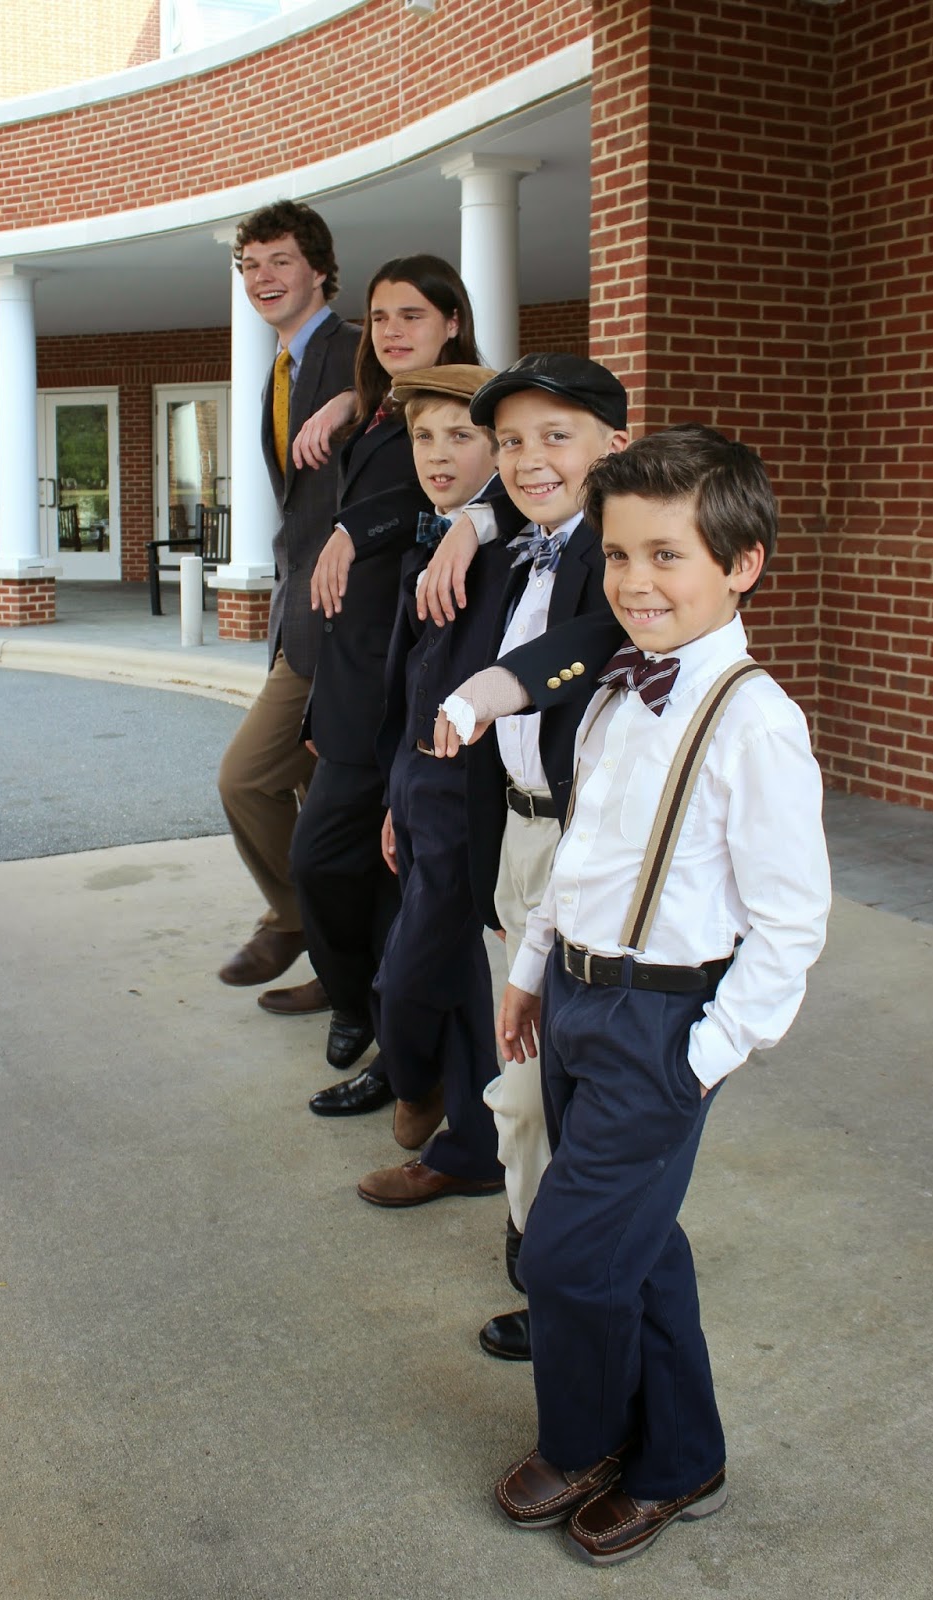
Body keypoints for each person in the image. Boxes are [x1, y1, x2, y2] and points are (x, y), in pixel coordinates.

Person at [489, 426, 832, 1566]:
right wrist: (532, 973)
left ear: (742, 564)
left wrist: (707, 1052)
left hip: (664, 1024)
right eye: (621, 556)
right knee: (639, 1243)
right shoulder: (612, 694)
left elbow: (790, 922)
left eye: (667, 555)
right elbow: (583, 853)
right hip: (578, 1000)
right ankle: (682, 1455)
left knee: (564, 1257)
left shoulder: (755, 721)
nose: (635, 582)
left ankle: (585, 1440)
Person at [433, 353, 628, 1360]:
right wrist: (471, 521)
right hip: (514, 832)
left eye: (556, 435)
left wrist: (495, 687)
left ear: (614, 445)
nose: (527, 458)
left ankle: (558, 1272)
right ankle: (537, 1246)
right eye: (509, 442)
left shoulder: (625, 554)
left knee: (545, 1081)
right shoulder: (520, 549)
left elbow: (599, 634)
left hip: (581, 846)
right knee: (523, 1073)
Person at [289, 258, 511, 1099]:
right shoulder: (382, 410)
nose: (390, 330)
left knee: (411, 911)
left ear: (453, 321)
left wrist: (465, 522)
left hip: (450, 726)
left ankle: (407, 1062)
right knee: (366, 884)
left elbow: (520, 485)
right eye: (379, 315)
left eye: (411, 314)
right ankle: (382, 1028)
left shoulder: (489, 413)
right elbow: (417, 499)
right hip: (373, 690)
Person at [354, 364, 512, 1207]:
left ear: (499, 449)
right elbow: (410, 682)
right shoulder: (430, 539)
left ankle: (417, 1084)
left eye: (462, 436)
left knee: (409, 978)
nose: (438, 454)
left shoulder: (511, 543)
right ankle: (474, 1150)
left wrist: (483, 520)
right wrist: (394, 795)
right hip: (416, 783)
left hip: (469, 795)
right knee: (454, 979)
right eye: (423, 436)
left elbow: (558, 502)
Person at [215, 200, 358, 1011]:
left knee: (246, 779)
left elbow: (441, 387)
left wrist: (353, 400)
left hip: (345, 622)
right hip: (296, 615)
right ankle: (340, 975)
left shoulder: (354, 352)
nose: (262, 278)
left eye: (280, 261)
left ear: (319, 269)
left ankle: (294, 917)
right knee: (316, 806)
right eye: (250, 265)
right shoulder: (282, 365)